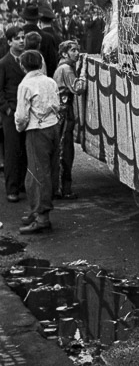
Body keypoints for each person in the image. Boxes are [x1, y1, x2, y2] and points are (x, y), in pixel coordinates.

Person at [15, 50, 60, 234]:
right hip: (53, 127)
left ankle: (42, 218)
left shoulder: (25, 85)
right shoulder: (50, 81)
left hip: (36, 131)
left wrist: (19, 128)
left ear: (22, 65)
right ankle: (37, 211)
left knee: (37, 174)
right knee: (48, 170)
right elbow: (57, 104)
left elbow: (21, 116)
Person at [53, 41, 86, 199]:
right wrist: (84, 73)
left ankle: (61, 187)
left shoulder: (64, 67)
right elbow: (78, 88)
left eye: (78, 49)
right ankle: (63, 189)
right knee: (65, 150)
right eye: (73, 50)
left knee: (64, 149)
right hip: (64, 114)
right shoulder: (66, 69)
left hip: (64, 113)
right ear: (65, 54)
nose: (77, 53)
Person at [0, 26, 27, 202]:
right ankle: (12, 189)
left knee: (25, 149)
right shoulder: (4, 63)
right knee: (12, 151)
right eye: (17, 38)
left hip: (27, 112)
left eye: (23, 37)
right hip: (12, 113)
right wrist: (7, 108)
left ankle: (22, 183)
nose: (22, 41)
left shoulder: (28, 60)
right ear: (9, 42)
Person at [21, 3, 58, 76]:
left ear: (24, 19)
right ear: (38, 20)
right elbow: (52, 64)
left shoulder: (17, 37)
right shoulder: (48, 38)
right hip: (42, 79)